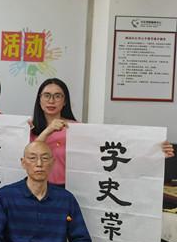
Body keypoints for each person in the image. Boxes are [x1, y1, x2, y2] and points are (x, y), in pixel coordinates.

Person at [31, 78, 174, 187]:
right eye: (46, 95)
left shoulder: (77, 129)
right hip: (38, 188)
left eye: (57, 96)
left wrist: (154, 151)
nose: (51, 101)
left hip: (71, 189)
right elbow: (30, 155)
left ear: (65, 102)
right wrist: (48, 131)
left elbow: (110, 152)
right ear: (39, 99)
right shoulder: (29, 128)